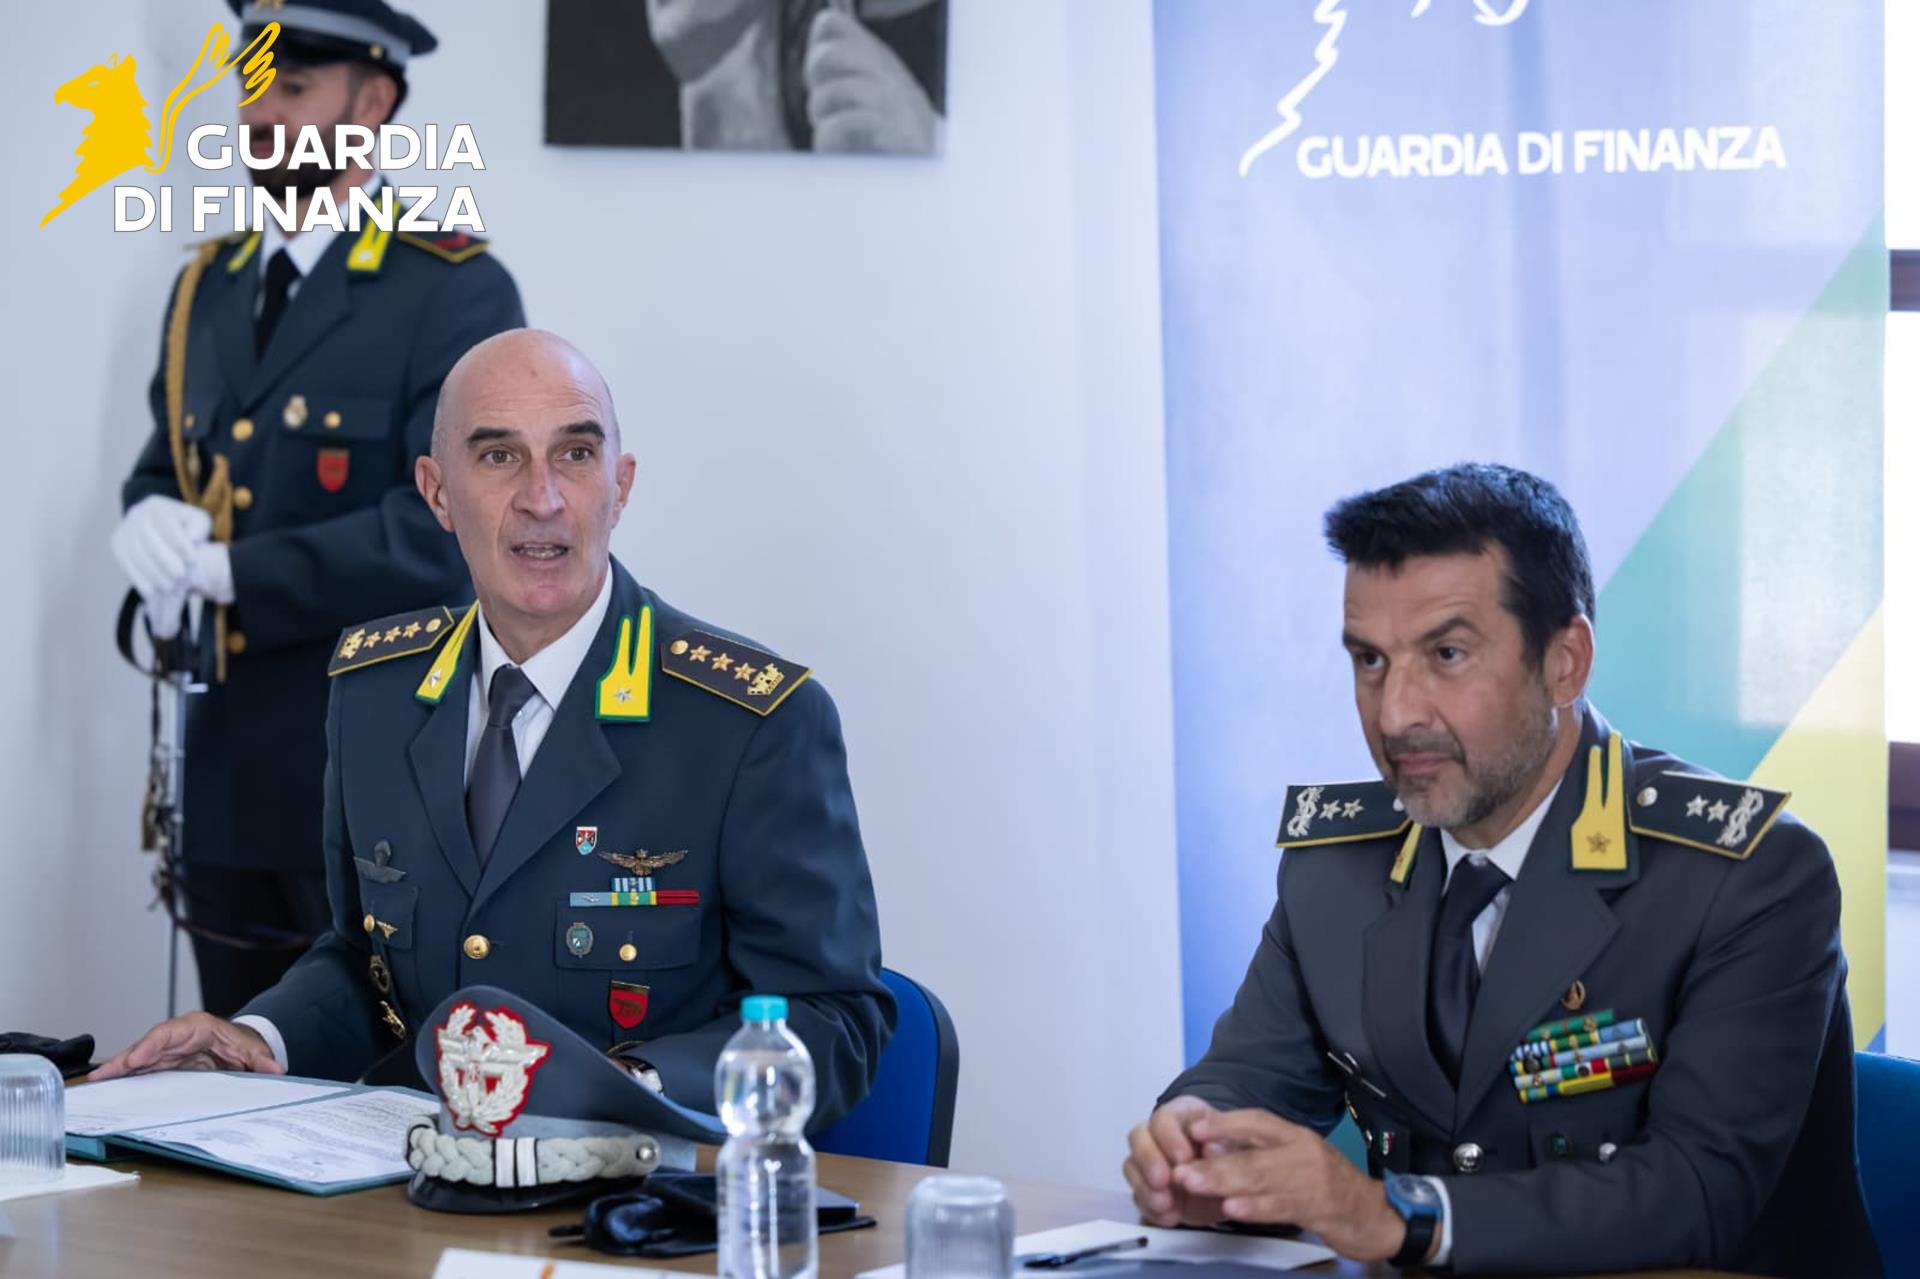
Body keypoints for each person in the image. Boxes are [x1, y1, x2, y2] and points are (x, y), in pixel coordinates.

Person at [96, 330, 895, 1132]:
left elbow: (836, 1018)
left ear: (620, 486)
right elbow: (362, 962)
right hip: (415, 1178)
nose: (542, 497)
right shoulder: (373, 694)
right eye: (499, 456)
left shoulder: (750, 724)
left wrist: (633, 1083)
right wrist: (257, 1035)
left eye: (575, 454)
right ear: (437, 493)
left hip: (636, 1187)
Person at [1123, 464, 1880, 1277]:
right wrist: (1194, 1144)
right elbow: (1248, 1075)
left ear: (1565, 662)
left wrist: (1394, 1214)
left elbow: (1694, 1190)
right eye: (1370, 659)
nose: (1395, 713)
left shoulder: (1747, 876)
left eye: (1446, 654)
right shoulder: (1335, 869)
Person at [110, 0, 525, 1015]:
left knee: (376, 1080)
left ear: (373, 102)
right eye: (252, 88)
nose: (260, 115)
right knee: (223, 1071)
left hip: (371, 782)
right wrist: (146, 518)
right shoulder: (208, 287)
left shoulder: (452, 291)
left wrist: (234, 573)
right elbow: (170, 465)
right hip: (223, 776)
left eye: (292, 88)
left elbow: (447, 529)